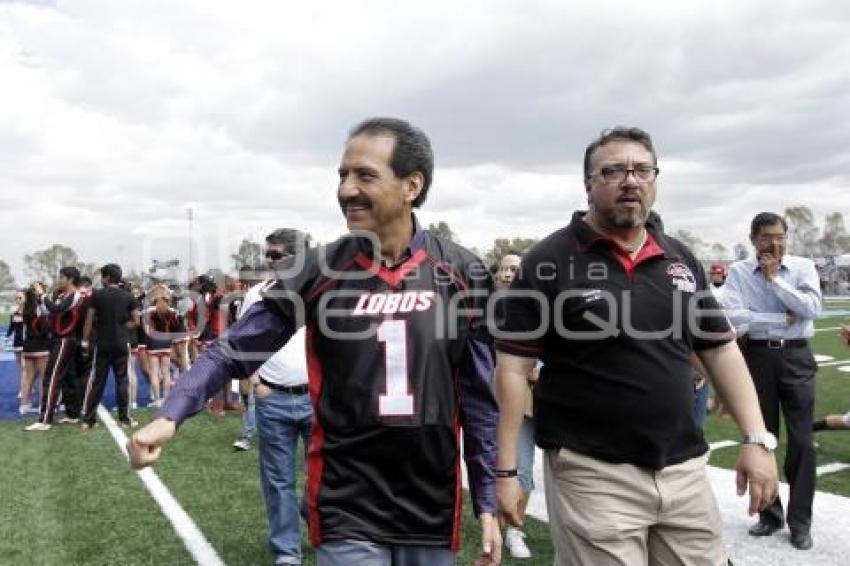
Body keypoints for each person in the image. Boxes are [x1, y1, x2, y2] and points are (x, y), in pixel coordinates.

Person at [129, 117, 501, 565]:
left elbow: (478, 397)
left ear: (411, 185)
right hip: (346, 500)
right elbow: (232, 350)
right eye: (342, 176)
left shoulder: (463, 272)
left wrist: (487, 498)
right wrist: (172, 413)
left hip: (430, 503)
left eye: (365, 175)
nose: (346, 189)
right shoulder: (317, 270)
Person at [495, 126, 778, 565]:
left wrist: (757, 439)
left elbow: (720, 350)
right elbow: (512, 370)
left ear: (655, 180)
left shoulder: (680, 257)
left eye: (642, 170)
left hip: (683, 468)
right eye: (613, 171)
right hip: (593, 473)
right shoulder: (549, 261)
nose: (630, 180)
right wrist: (508, 470)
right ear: (588, 184)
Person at [721, 212, 822, 551]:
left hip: (797, 358)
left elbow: (811, 308)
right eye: (766, 237)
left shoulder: (803, 267)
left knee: (803, 443)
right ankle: (769, 514)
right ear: (754, 240)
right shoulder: (737, 272)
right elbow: (736, 317)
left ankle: (800, 522)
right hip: (757, 358)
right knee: (761, 439)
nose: (774, 244)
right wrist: (781, 317)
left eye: (780, 237)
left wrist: (776, 281)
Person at [232, 231, 313, 565]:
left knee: (327, 475)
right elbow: (242, 342)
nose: (269, 261)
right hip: (273, 397)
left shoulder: (320, 291)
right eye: (268, 254)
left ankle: (315, 518)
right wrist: (254, 381)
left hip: (316, 398)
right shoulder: (257, 293)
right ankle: (287, 551)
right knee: (278, 480)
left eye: (276, 255)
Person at [494, 251, 535, 560]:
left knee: (522, 470)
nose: (509, 273)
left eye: (515, 269)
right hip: (490, 402)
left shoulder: (541, 307)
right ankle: (491, 526)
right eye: (505, 269)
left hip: (528, 402)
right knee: (494, 468)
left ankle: (514, 531)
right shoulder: (483, 309)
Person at [26, 268, 87, 431]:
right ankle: (73, 414)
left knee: (51, 378)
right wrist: (41, 298)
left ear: (71, 279)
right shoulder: (61, 295)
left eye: (62, 277)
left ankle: (44, 420)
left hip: (64, 340)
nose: (59, 280)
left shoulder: (75, 295)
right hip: (59, 339)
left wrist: (43, 295)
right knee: (68, 377)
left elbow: (57, 310)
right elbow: (49, 313)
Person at [80, 263, 140, 429]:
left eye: (102, 276)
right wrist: (122, 327)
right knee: (122, 380)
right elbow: (136, 321)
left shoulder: (97, 295)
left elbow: (89, 321)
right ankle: (125, 419)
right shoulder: (128, 296)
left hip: (102, 343)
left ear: (106, 278)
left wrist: (85, 342)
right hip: (121, 343)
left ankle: (88, 420)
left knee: (97, 381)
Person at [19, 286, 50, 415]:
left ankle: (23, 406)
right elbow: (45, 328)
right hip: (41, 346)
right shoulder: (40, 309)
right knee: (43, 377)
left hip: (27, 347)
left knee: (28, 377)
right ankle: (42, 406)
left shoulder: (25, 309)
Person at [6, 290, 25, 374]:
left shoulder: (30, 312)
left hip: (27, 343)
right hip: (17, 342)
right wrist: (7, 336)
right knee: (19, 366)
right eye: (16, 298)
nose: (18, 300)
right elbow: (11, 327)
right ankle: (25, 386)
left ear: (25, 298)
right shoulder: (14, 313)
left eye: (20, 298)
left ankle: (31, 386)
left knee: (26, 366)